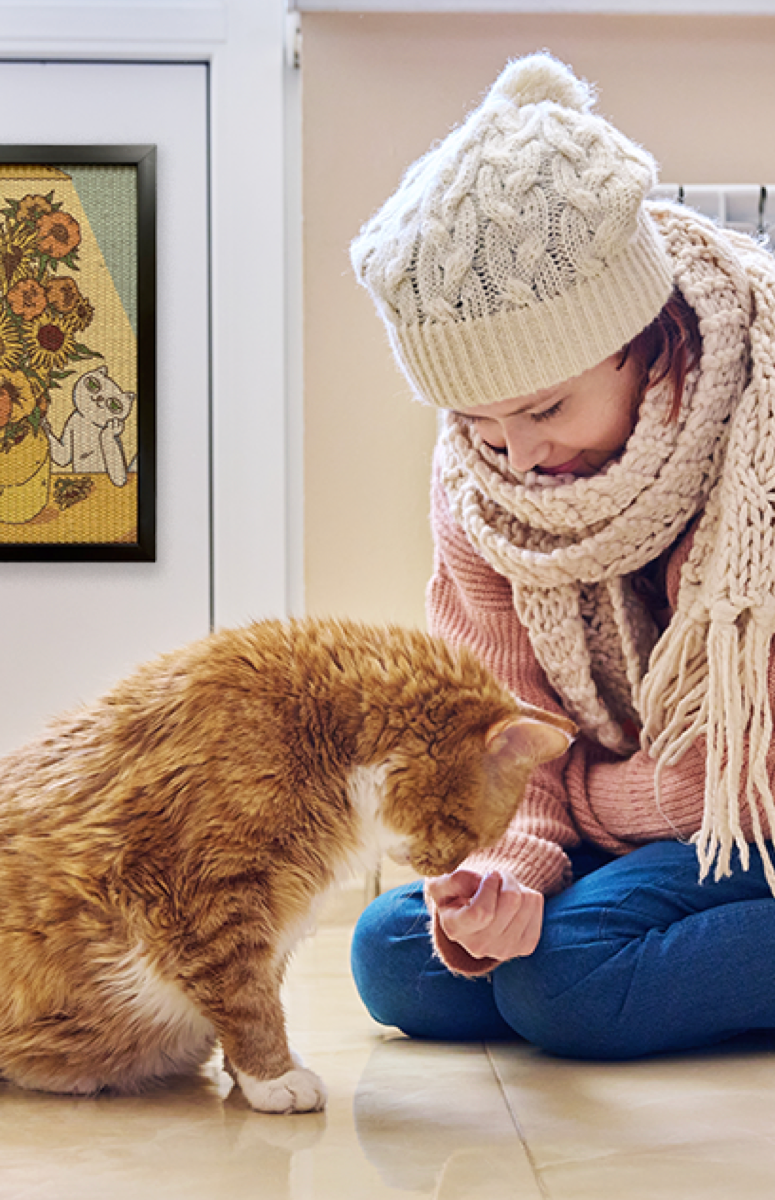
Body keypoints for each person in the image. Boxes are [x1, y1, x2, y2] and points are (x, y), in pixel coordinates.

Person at [347, 51, 775, 1060]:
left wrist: (586, 802)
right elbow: (505, 721)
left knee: (567, 978)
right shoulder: (484, 488)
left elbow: (747, 770)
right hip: (641, 815)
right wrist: (511, 867)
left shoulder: (760, 422)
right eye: (482, 423)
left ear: (649, 333)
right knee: (399, 956)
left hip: (747, 810)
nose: (522, 459)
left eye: (545, 407)